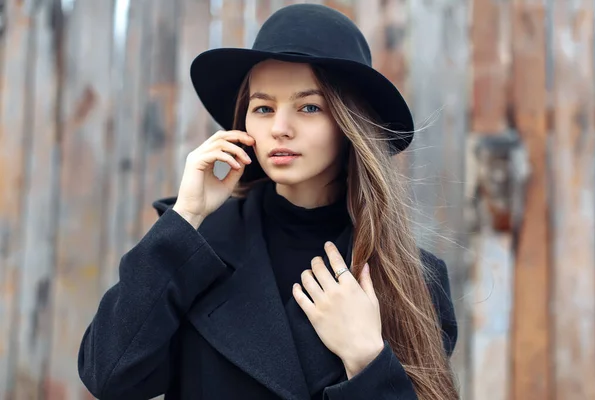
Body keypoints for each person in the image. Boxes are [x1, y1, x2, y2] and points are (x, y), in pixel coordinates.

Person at [78, 4, 459, 400]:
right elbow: (108, 376)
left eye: (308, 107)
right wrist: (187, 215)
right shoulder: (195, 250)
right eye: (263, 108)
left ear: (350, 124)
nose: (279, 129)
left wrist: (366, 358)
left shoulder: (409, 279)